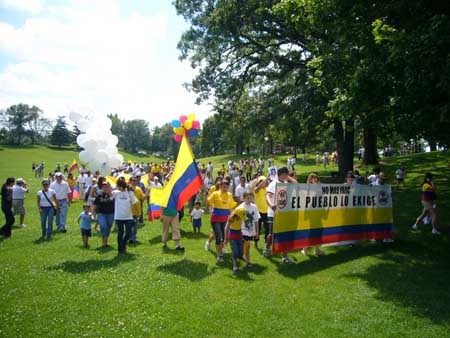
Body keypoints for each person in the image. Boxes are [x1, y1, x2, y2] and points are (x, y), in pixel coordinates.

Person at [266, 166, 297, 264]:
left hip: (284, 214)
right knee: (272, 234)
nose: (287, 176)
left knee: (284, 235)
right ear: (281, 175)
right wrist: (271, 205)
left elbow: (296, 184)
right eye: (285, 174)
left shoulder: (287, 184)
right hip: (273, 213)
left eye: (287, 174)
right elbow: (268, 196)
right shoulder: (273, 184)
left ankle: (285, 256)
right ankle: (267, 249)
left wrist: (289, 178)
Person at [207, 179, 237, 263]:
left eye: (226, 186)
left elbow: (230, 207)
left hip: (225, 219)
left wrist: (234, 215)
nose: (225, 188)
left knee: (224, 237)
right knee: (219, 237)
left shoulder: (229, 195)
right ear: (220, 186)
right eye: (223, 186)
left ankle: (210, 243)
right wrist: (206, 194)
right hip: (215, 218)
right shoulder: (215, 194)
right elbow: (208, 202)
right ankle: (219, 255)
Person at [302, 173, 325, 256]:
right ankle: (305, 248)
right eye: (313, 178)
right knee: (312, 232)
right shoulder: (308, 188)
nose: (315, 179)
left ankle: (316, 249)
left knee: (318, 231)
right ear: (310, 180)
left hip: (318, 213)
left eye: (316, 178)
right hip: (311, 213)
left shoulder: (320, 188)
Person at [113, 177, 137, 254]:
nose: (116, 187)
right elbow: (109, 195)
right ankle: (120, 249)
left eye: (117, 186)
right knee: (120, 233)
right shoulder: (115, 193)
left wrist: (132, 206)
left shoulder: (130, 193)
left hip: (128, 216)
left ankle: (122, 245)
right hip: (118, 217)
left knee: (128, 233)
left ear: (121, 186)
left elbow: (134, 202)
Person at [224, 207, 251, 273]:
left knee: (241, 253)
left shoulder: (241, 217)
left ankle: (248, 262)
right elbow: (226, 228)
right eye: (241, 216)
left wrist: (248, 227)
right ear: (236, 214)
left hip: (239, 236)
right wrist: (226, 238)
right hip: (232, 237)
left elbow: (247, 222)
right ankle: (235, 267)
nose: (242, 218)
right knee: (235, 252)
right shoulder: (231, 219)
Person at [240, 192, 260, 265]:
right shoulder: (241, 207)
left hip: (251, 230)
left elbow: (256, 220)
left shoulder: (254, 207)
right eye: (247, 198)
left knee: (248, 246)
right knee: (247, 242)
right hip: (243, 229)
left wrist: (257, 232)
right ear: (243, 198)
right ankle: (242, 256)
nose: (249, 200)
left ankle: (248, 261)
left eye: (250, 198)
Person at [93, 181, 115, 248]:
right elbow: (95, 204)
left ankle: (106, 241)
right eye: (104, 186)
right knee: (103, 226)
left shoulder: (113, 194)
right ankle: (103, 242)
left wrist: (110, 193)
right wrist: (92, 212)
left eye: (106, 186)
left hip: (111, 213)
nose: (105, 188)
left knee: (108, 227)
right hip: (101, 213)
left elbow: (115, 201)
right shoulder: (99, 195)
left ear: (109, 187)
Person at [129, 177, 145, 244]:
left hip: (137, 210)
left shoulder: (139, 189)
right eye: (133, 181)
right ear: (130, 181)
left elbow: (142, 198)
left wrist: (147, 192)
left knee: (135, 225)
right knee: (129, 225)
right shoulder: (127, 189)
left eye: (135, 181)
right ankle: (130, 237)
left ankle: (133, 237)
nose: (135, 182)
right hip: (128, 210)